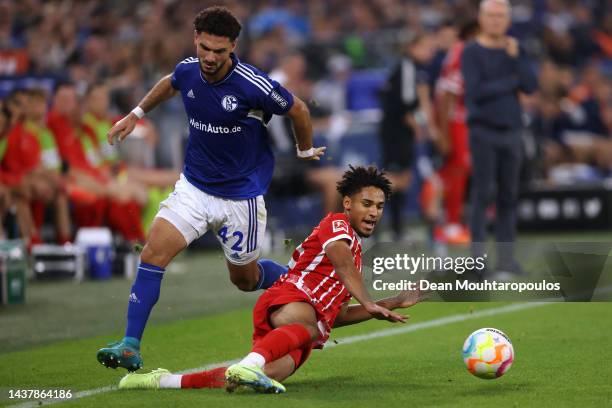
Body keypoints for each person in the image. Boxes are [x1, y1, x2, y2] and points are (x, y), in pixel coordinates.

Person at [97, 6, 325, 372]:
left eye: (220, 51)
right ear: (195, 41)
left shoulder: (254, 85)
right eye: (205, 48)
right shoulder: (189, 70)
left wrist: (304, 149)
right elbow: (171, 82)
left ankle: (303, 284)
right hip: (194, 189)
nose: (210, 57)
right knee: (153, 254)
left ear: (234, 46)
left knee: (245, 280)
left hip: (241, 199)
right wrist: (135, 114)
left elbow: (298, 108)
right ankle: (130, 344)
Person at [117, 166, 423, 393]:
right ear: (347, 204)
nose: (374, 212)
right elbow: (340, 261)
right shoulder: (336, 224)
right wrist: (368, 301)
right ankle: (251, 362)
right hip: (290, 300)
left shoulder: (355, 253)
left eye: (379, 206)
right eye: (366, 204)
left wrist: (388, 303)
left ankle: (161, 380)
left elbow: (336, 316)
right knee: (309, 326)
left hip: (304, 321)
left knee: (260, 374)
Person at [461, 0, 537, 278]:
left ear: (508, 19)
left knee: (508, 196)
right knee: (482, 195)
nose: (496, 20)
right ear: (482, 18)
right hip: (483, 131)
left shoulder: (515, 48)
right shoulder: (471, 51)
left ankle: (506, 259)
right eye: (491, 15)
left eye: (501, 15)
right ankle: (478, 263)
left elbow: (530, 85)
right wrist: (510, 80)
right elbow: (476, 91)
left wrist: (516, 60)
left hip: (512, 131)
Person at [378, 33, 439, 241]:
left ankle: (397, 229)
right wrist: (419, 127)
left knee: (402, 179)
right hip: (396, 131)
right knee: (396, 180)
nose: (430, 52)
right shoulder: (407, 68)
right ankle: (366, 222)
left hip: (400, 130)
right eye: (426, 46)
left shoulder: (413, 69)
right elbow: (405, 104)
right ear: (413, 47)